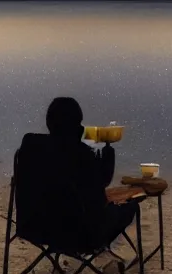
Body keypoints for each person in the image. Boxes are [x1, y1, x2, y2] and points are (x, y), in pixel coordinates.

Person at [17, 97, 136, 252]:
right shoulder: (80, 153)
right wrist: (108, 153)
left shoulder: (30, 146)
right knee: (130, 208)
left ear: (49, 123)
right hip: (78, 235)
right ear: (77, 125)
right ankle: (114, 255)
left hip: (32, 228)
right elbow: (101, 185)